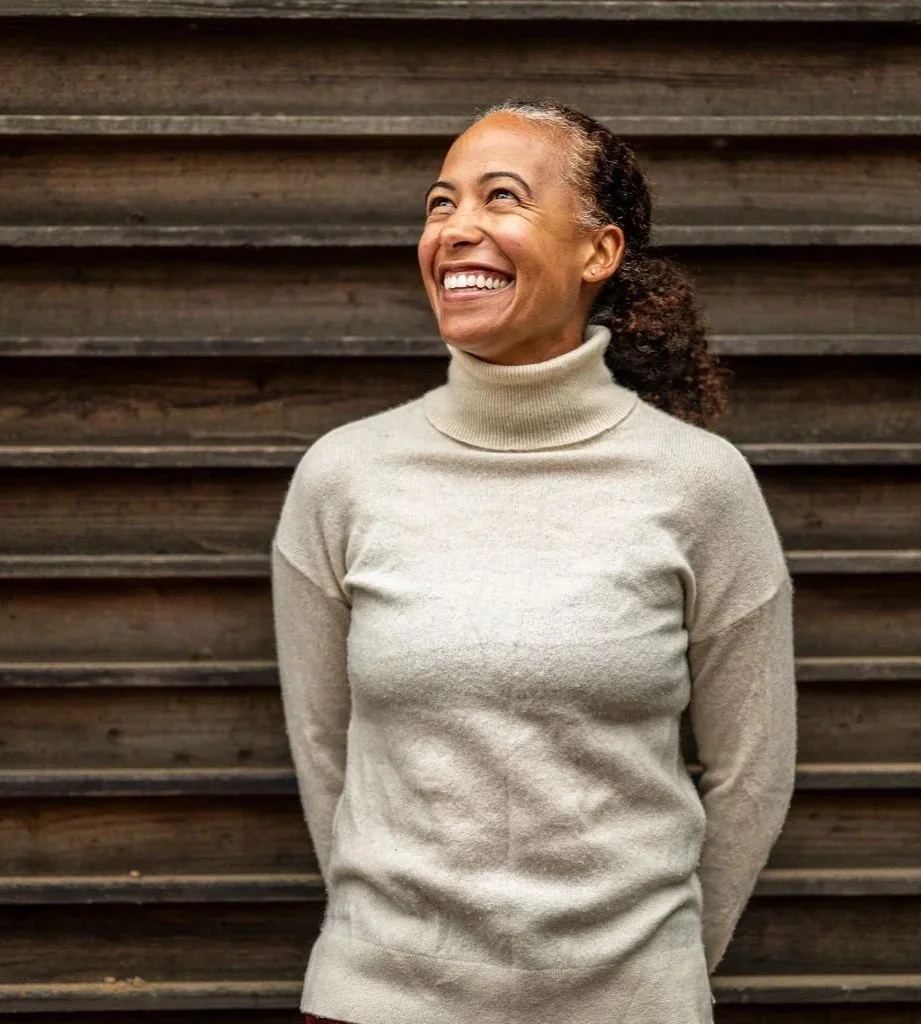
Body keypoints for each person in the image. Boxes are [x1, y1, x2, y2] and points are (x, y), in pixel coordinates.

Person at [272, 98, 796, 1024]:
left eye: (501, 198)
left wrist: (659, 973)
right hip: (377, 1002)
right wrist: (388, 942)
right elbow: (324, 751)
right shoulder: (343, 477)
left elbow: (752, 771)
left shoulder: (702, 485)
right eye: (441, 204)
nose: (457, 230)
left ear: (599, 252)